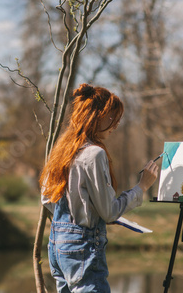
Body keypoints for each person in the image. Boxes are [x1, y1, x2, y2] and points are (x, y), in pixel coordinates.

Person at [40, 83, 159, 293]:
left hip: (58, 245)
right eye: (112, 117)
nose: (115, 125)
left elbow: (46, 198)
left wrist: (76, 219)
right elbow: (109, 212)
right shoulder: (94, 154)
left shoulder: (63, 148)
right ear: (95, 116)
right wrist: (142, 186)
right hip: (83, 247)